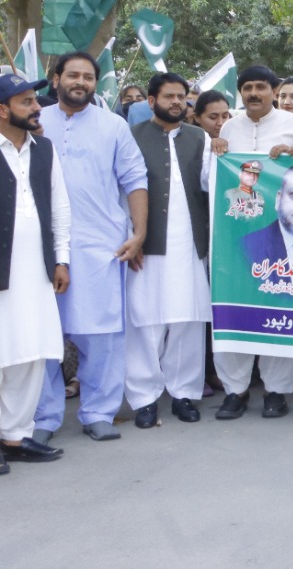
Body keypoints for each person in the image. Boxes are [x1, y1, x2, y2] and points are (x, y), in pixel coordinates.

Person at [33, 51, 148, 445]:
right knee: (45, 333)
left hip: (100, 244)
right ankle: (44, 416)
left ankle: (98, 412)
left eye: (87, 77)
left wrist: (139, 234)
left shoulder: (114, 125)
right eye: (73, 75)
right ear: (55, 79)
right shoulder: (34, 121)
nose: (80, 82)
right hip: (41, 246)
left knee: (102, 335)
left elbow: (135, 180)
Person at [213, 63, 293, 421]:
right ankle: (235, 391)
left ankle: (276, 391)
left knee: (279, 304)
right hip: (234, 233)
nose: (254, 93)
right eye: (247, 88)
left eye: (260, 87)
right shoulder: (230, 127)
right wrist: (217, 148)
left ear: (274, 91)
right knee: (234, 305)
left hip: (282, 231)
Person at [126, 72, 211, 431]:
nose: (177, 102)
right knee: (145, 321)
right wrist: (131, 237)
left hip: (190, 244)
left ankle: (184, 393)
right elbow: (121, 188)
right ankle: (144, 398)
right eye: (169, 96)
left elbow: (210, 183)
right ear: (151, 101)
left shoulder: (200, 137)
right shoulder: (131, 136)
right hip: (147, 244)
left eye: (182, 97)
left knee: (187, 320)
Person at [0, 73, 70, 472]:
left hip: (37, 269)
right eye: (25, 101)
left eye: (34, 100)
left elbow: (60, 208)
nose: (36, 107)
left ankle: (14, 435)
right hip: (2, 271)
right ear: (2, 110)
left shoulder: (44, 149)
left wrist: (62, 260)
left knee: (29, 351)